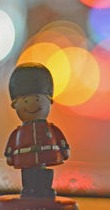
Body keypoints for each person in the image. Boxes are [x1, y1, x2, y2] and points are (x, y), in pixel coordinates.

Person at [4, 62, 70, 198]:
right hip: (25, 158)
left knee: (44, 173)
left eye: (38, 99)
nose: (33, 104)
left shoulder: (51, 129)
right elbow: (11, 144)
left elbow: (60, 139)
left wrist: (64, 149)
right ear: (15, 105)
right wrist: (9, 155)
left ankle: (45, 189)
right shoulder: (18, 132)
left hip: (46, 155)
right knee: (28, 174)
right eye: (26, 101)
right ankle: (28, 189)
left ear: (49, 101)